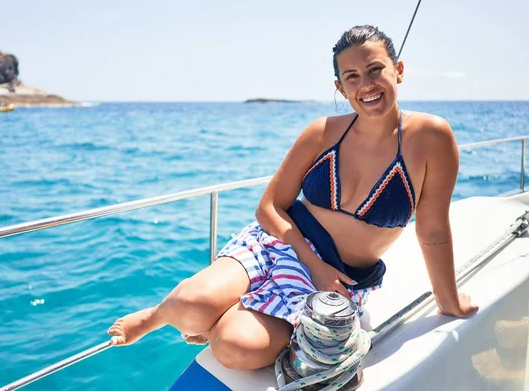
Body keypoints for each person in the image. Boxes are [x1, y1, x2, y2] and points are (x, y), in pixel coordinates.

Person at [107, 25, 478, 370]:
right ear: (340, 87)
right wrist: (310, 261)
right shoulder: (322, 133)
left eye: (374, 70)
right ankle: (156, 317)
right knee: (189, 305)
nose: (366, 85)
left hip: (338, 279)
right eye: (352, 77)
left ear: (398, 69)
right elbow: (268, 207)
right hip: (278, 243)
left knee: (234, 348)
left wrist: (448, 301)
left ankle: (225, 316)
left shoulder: (431, 137)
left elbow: (432, 229)